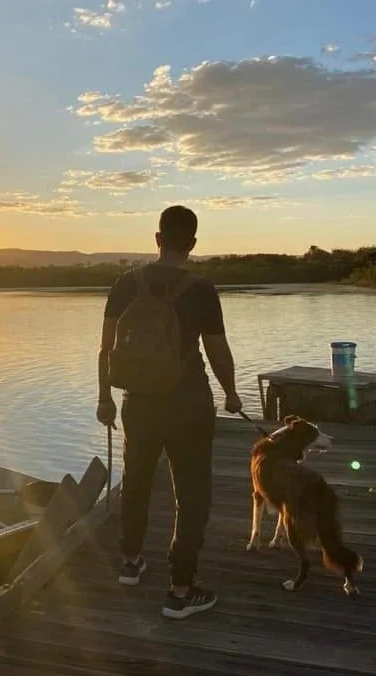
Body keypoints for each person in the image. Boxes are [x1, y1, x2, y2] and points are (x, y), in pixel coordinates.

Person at [96, 205, 243, 619]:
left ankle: (130, 562)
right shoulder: (201, 289)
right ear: (193, 244)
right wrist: (232, 393)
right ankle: (180, 589)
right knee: (192, 493)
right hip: (189, 404)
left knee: (137, 481)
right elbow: (217, 351)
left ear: (157, 239)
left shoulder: (126, 284)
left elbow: (106, 349)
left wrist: (104, 398)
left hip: (137, 403)